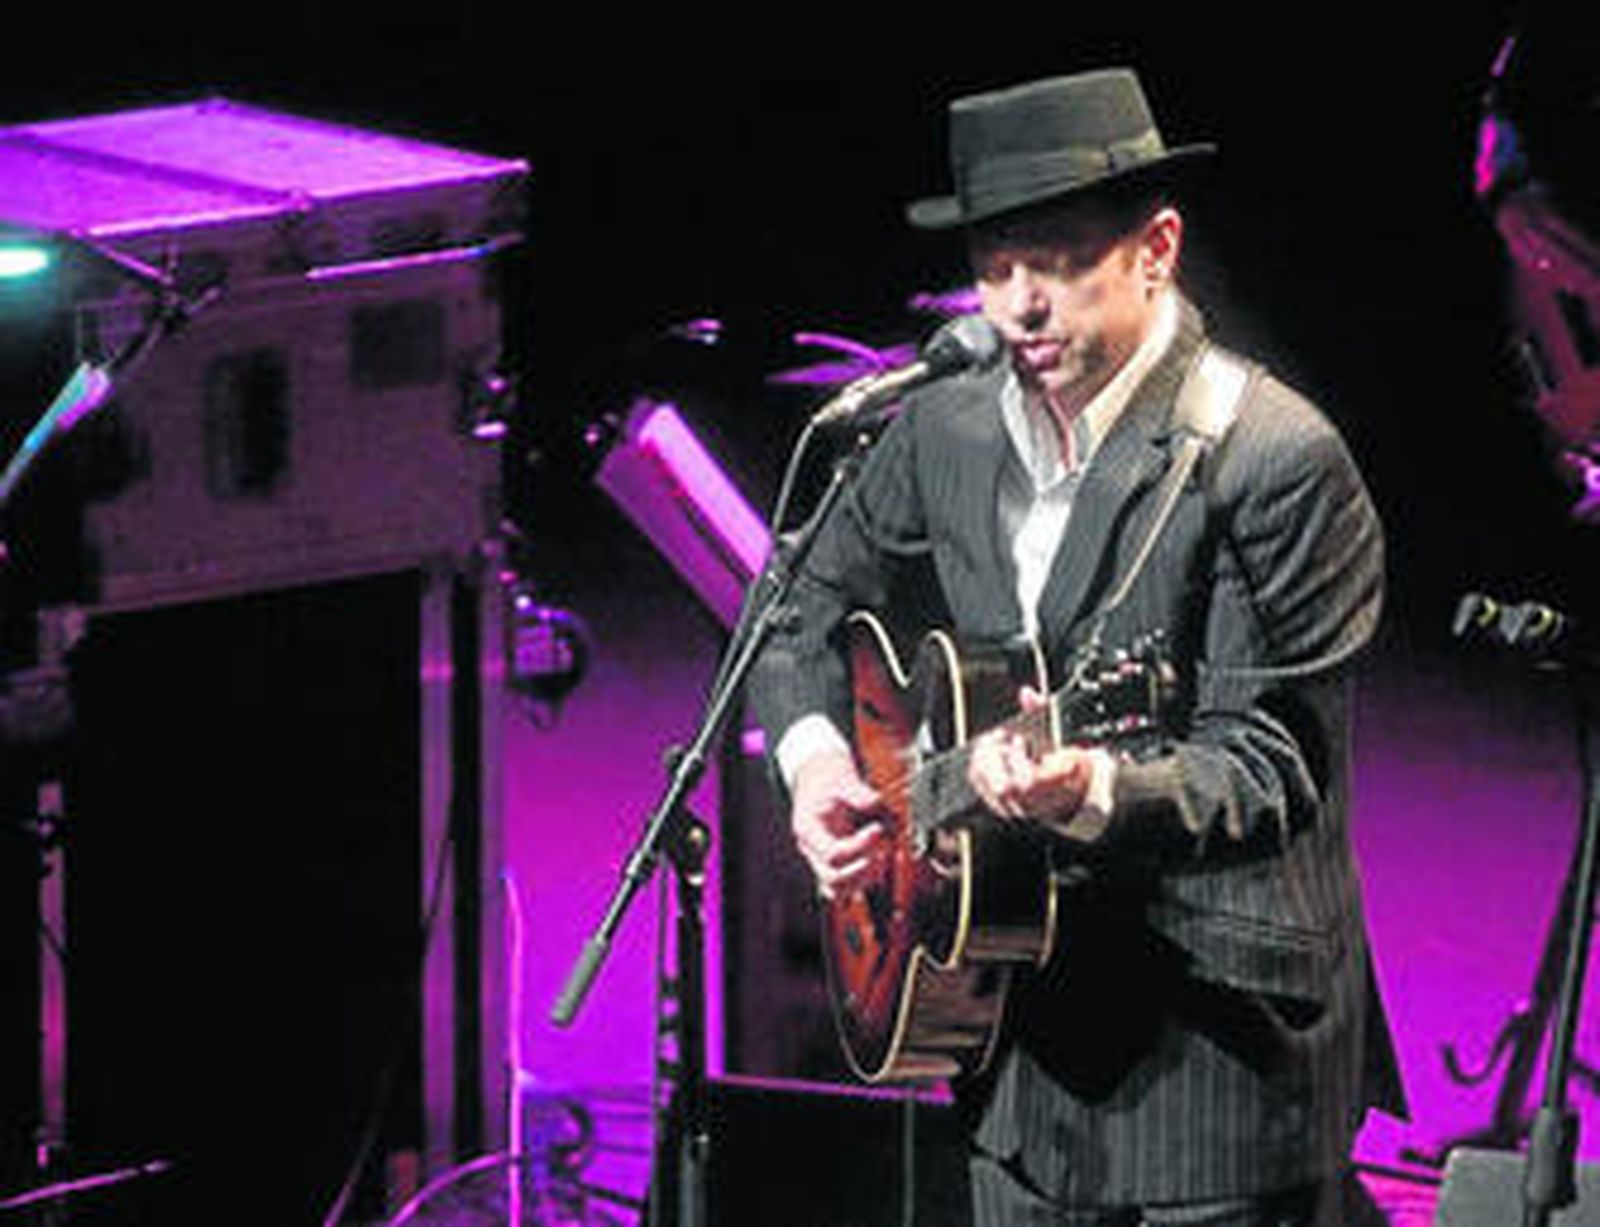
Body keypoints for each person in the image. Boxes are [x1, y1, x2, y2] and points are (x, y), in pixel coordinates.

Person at [746, 68, 1406, 1226]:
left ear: (1155, 248)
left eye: (1053, 264)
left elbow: (1271, 769)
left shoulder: (1270, 460)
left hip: (1218, 1057)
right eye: (992, 270)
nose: (1017, 308)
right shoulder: (944, 425)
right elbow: (791, 601)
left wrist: (1091, 785)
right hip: (1010, 1043)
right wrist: (816, 766)